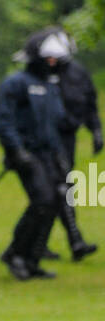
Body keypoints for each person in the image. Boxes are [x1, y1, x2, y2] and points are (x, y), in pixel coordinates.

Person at [0, 31, 75, 281]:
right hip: (27, 154)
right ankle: (16, 254)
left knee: (53, 203)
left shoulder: (50, 86)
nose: (51, 62)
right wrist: (16, 150)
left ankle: (32, 259)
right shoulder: (15, 83)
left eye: (55, 58)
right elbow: (4, 121)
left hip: (49, 154)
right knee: (41, 200)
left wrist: (60, 156)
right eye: (47, 57)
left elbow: (55, 123)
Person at [31, 28, 98, 262]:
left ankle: (42, 245)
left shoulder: (78, 72)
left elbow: (89, 101)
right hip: (46, 141)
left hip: (68, 138)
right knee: (55, 189)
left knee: (60, 189)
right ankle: (73, 240)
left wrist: (95, 129)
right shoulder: (40, 78)